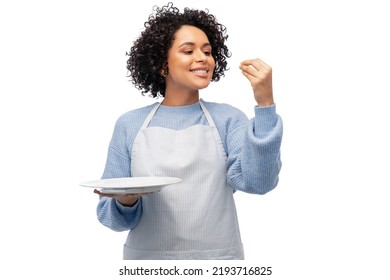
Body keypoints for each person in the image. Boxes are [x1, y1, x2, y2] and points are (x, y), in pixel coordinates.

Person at [94, 2, 283, 260]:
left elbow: (258, 183)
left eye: (207, 51)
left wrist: (265, 104)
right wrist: (125, 200)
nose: (203, 58)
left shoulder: (228, 119)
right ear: (162, 64)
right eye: (188, 50)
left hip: (217, 264)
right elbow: (111, 219)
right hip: (148, 266)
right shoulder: (130, 124)